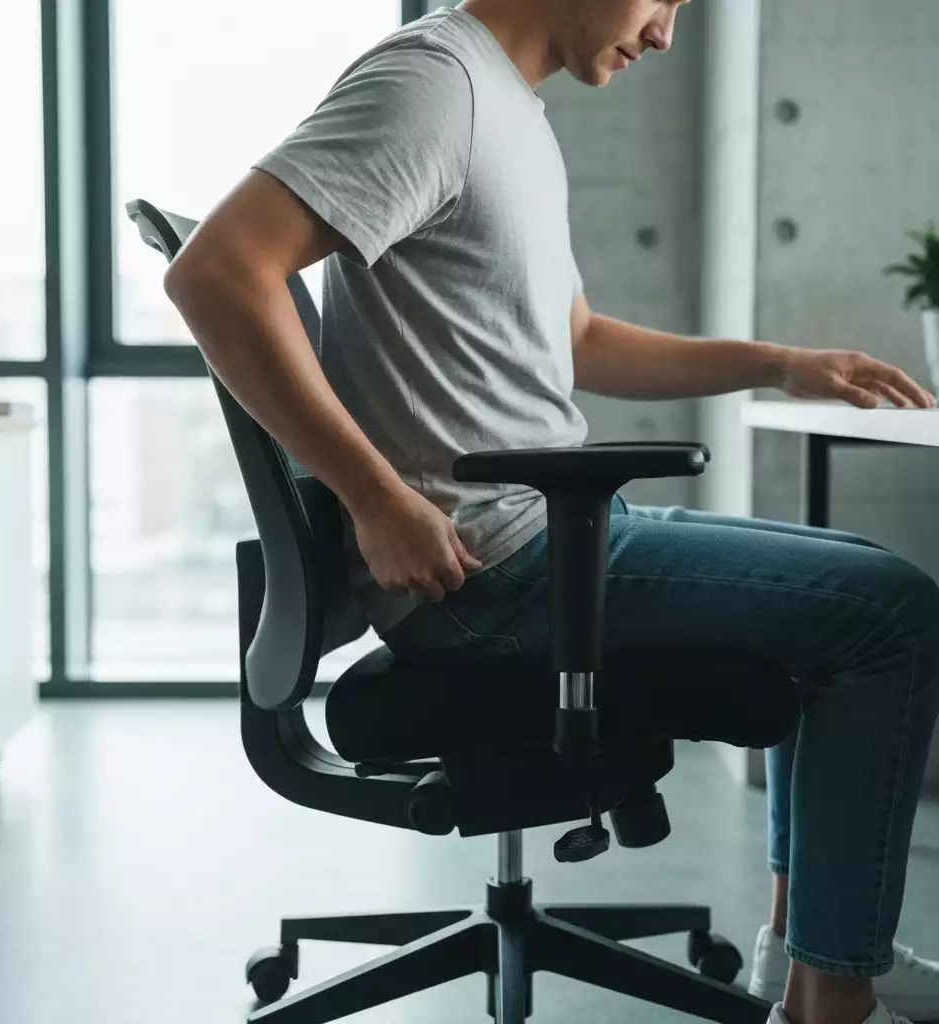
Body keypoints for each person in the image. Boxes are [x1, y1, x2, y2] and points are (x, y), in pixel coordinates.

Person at [163, 2, 939, 1022]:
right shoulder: (433, 86)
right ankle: (833, 1000)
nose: (665, 32)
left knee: (844, 582)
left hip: (543, 538)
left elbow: (574, 339)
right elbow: (216, 273)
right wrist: (374, 496)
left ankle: (804, 952)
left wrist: (781, 363)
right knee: (889, 611)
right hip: (491, 569)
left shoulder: (508, 107)